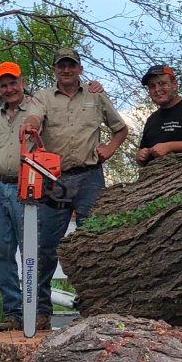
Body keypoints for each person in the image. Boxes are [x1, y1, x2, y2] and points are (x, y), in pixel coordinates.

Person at [0, 61, 104, 332]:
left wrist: (92, 90)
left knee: (34, 250)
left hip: (29, 188)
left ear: (22, 82)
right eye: (4, 84)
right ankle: (14, 312)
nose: (9, 89)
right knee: (0, 251)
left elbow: (66, 128)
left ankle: (37, 309)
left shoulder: (40, 106)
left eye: (13, 83)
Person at [19, 48, 128, 329]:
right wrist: (30, 126)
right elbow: (33, 118)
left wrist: (110, 148)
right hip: (53, 178)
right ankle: (41, 311)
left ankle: (91, 307)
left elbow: (120, 128)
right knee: (45, 246)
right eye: (61, 66)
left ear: (80, 69)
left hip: (90, 176)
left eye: (72, 65)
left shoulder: (95, 95)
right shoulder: (43, 96)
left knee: (92, 242)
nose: (66, 70)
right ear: (54, 70)